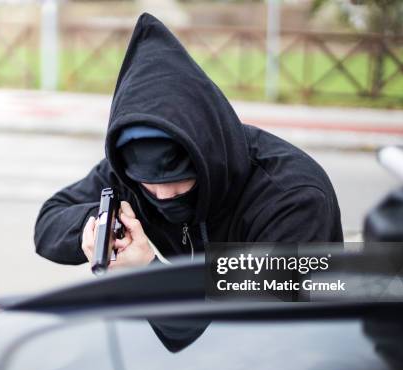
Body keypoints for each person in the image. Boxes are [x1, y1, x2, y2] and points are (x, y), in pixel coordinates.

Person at [34, 13, 343, 270]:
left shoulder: (293, 197)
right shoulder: (131, 172)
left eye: (180, 179)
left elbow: (248, 325)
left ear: (205, 156)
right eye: (149, 184)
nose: (164, 195)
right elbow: (49, 222)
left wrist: (148, 271)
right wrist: (100, 226)